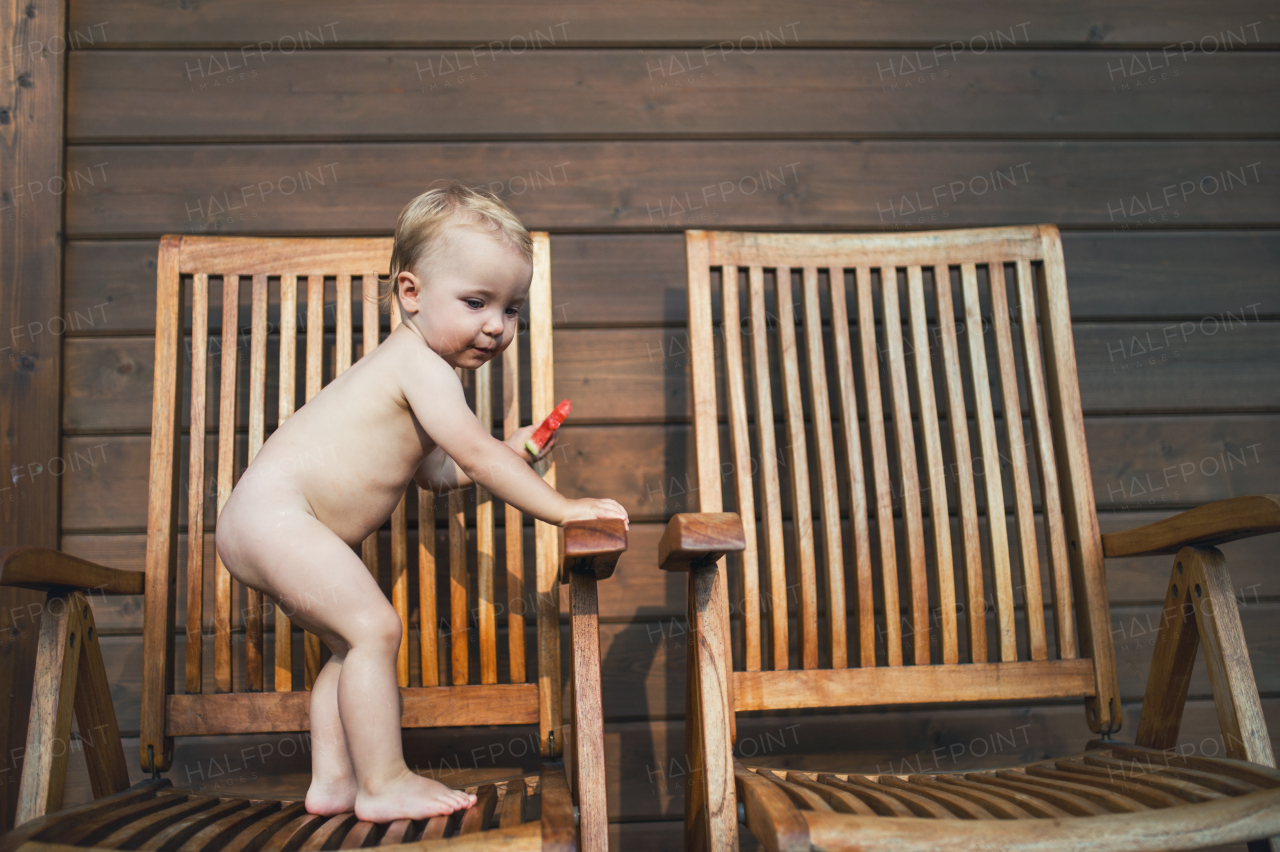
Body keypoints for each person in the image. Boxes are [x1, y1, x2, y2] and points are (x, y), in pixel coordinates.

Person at [214, 182, 629, 822]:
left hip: (265, 522)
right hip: (277, 517)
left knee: (351, 647)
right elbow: (475, 457)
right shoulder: (421, 367)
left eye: (512, 309)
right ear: (411, 293)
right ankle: (385, 780)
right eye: (476, 302)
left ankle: (334, 781)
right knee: (376, 628)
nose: (496, 325)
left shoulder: (413, 371)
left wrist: (512, 450)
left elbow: (438, 470)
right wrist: (564, 509)